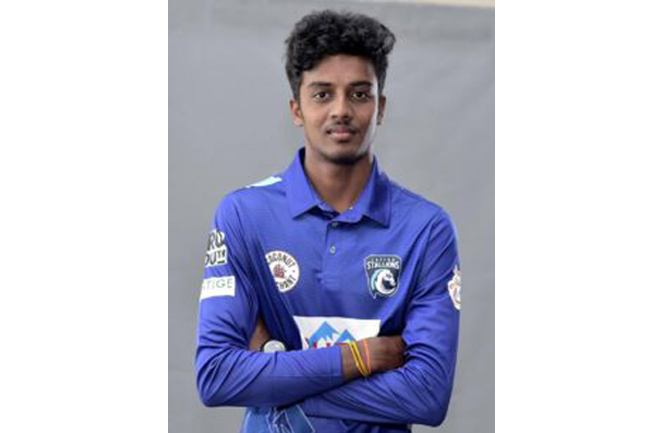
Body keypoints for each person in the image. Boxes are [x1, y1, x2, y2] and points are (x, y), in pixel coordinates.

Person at [195, 10, 461, 433]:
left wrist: (274, 374)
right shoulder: (244, 215)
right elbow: (217, 375)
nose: (342, 110)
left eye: (359, 94)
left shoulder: (426, 229)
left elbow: (427, 396)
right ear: (296, 109)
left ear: (381, 107)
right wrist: (362, 358)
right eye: (322, 94)